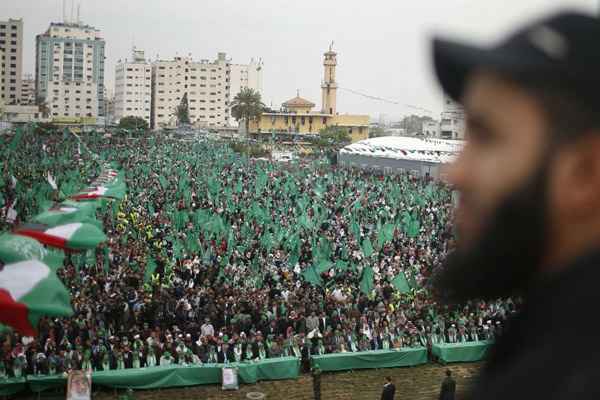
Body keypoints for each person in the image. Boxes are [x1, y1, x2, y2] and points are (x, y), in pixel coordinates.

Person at [432, 10, 600, 400]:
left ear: (585, 173)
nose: (452, 174)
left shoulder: (564, 378)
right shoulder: (546, 341)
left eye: (486, 137)